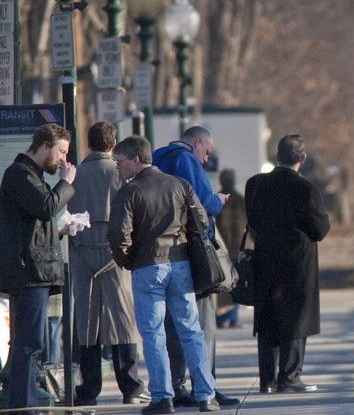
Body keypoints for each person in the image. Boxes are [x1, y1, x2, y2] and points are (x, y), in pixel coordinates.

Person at [108, 135, 219, 415]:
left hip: (147, 267)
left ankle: (162, 397)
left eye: (120, 162)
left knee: (153, 334)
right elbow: (202, 219)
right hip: (181, 263)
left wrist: (128, 260)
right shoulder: (179, 184)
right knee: (191, 331)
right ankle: (206, 395)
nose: (118, 168)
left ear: (135, 160)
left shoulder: (129, 192)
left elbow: (118, 235)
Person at [0, 123, 78, 413]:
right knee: (29, 345)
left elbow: (35, 222)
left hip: (33, 269)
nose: (64, 160)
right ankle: (24, 406)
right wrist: (66, 182)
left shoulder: (33, 176)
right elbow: (45, 207)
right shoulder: (19, 175)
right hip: (27, 272)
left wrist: (61, 230)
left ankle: (26, 404)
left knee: (32, 344)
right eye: (61, 151)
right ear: (44, 146)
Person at [152, 126, 238, 407]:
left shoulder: (158, 158)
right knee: (203, 323)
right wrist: (221, 199)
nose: (205, 159)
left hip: (164, 252)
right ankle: (206, 386)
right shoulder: (187, 160)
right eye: (207, 152)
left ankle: (176, 385)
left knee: (171, 325)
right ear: (197, 142)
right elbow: (204, 203)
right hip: (194, 253)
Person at [68, 122, 149, 406]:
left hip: (82, 253)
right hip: (116, 255)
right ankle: (131, 387)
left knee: (88, 323)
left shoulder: (75, 174)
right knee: (123, 322)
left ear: (89, 143)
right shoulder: (121, 173)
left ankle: (89, 389)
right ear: (113, 143)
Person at [245, 134, 330, 393]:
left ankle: (267, 380)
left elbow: (253, 222)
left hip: (265, 260)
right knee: (295, 319)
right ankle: (290, 378)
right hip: (296, 266)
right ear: (302, 159)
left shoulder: (255, 185)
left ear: (277, 156)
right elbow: (319, 230)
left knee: (267, 319)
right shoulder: (306, 190)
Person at [214, 169, 247, 329]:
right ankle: (232, 317)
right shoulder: (240, 199)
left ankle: (223, 317)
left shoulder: (216, 200)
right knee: (236, 282)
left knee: (223, 283)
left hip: (221, 249)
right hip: (238, 248)